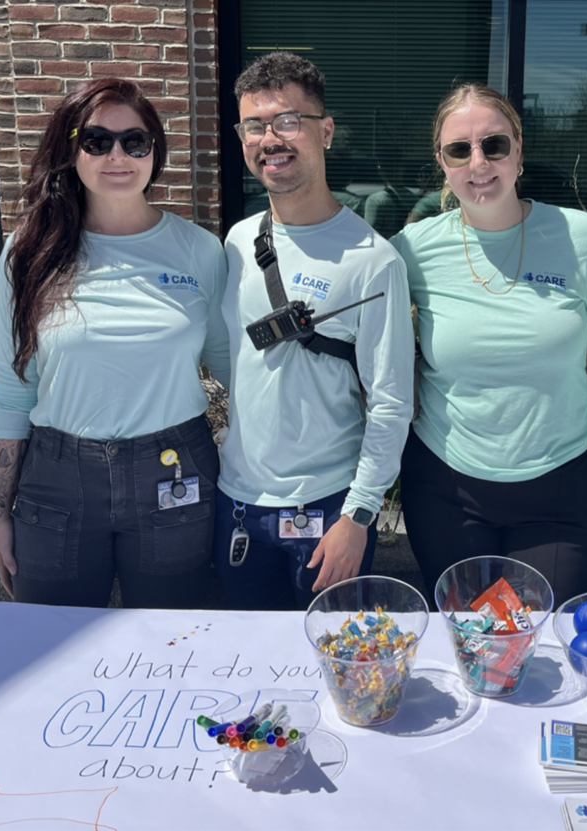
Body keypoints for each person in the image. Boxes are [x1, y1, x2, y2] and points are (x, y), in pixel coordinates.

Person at [0, 78, 230, 609]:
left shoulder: (200, 251)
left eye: (134, 142)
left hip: (174, 470)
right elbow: (11, 387)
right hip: (56, 478)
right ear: (70, 150)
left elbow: (236, 371)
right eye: (96, 141)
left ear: (154, 151)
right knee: (49, 642)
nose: (117, 156)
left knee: (171, 640)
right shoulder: (28, 253)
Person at [391, 83, 587, 607]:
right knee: (466, 641)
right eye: (460, 150)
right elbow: (372, 340)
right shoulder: (411, 250)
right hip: (447, 491)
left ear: (518, 151)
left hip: (560, 489)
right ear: (443, 163)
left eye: (494, 145)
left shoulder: (579, 237)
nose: (479, 163)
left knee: (541, 640)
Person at [214, 52, 413, 610]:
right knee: (246, 655)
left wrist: (359, 514)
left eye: (287, 121)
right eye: (254, 125)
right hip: (238, 504)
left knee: (328, 659)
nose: (269, 139)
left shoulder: (373, 259)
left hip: (328, 512)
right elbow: (230, 356)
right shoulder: (238, 241)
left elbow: (392, 402)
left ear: (325, 132)